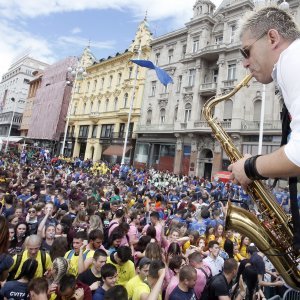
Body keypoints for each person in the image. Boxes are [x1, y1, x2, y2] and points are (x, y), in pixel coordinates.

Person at [227, 6, 300, 247]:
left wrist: (249, 167)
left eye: (246, 52)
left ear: (272, 38)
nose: (246, 64)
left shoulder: (292, 59)